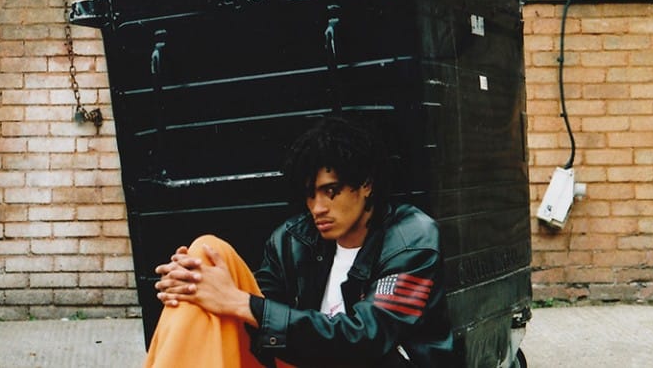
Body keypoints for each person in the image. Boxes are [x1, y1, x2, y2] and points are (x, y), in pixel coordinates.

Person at [147, 116, 454, 367]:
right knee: (204, 255)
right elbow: (256, 321)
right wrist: (194, 285)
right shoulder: (290, 240)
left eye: (330, 191)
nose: (317, 208)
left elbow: (366, 341)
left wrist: (238, 302)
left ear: (366, 184)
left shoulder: (412, 240)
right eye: (310, 194)